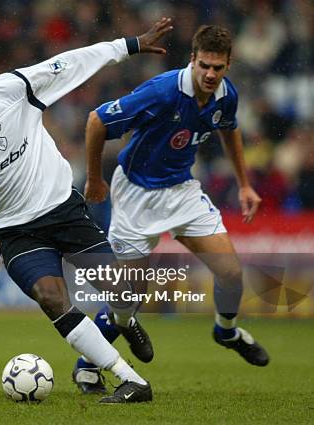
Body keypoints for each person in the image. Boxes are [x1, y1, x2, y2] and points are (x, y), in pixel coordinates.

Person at [0, 18, 173, 404]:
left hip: (62, 209)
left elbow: (72, 62)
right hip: (13, 231)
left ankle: (121, 324)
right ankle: (131, 380)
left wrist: (127, 45)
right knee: (51, 296)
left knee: (122, 288)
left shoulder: (17, 87)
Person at [83, 25, 269, 372]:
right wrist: (95, 179)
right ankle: (88, 363)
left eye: (218, 67)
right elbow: (96, 121)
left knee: (230, 272)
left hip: (181, 191)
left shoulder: (227, 95)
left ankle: (226, 332)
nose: (211, 74)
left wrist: (244, 184)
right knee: (128, 300)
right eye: (205, 66)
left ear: (228, 64)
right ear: (193, 60)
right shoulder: (162, 92)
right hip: (136, 193)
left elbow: (229, 129)